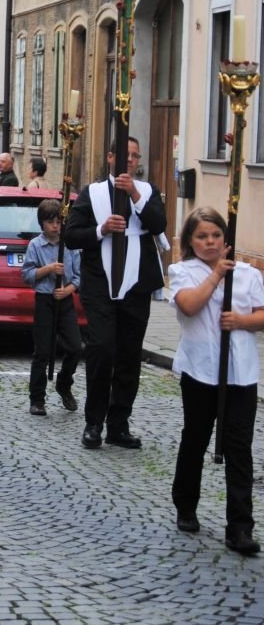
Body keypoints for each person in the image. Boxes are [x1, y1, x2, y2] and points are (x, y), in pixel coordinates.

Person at [170, 207, 264, 556]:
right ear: (190, 241)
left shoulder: (249, 275)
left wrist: (241, 321)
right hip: (201, 370)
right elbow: (189, 306)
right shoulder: (181, 271)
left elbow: (261, 315)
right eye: (202, 237)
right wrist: (215, 278)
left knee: (239, 447)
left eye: (216, 236)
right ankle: (186, 504)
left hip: (241, 373)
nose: (210, 242)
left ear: (226, 238)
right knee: (196, 436)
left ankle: (240, 527)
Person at [64, 136, 166, 450]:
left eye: (135, 156)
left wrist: (135, 194)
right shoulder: (92, 194)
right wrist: (101, 230)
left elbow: (159, 223)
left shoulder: (147, 191)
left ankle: (118, 423)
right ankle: (93, 422)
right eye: (125, 155)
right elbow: (70, 236)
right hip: (100, 283)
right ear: (111, 157)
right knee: (102, 348)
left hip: (137, 285)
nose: (130, 161)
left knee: (128, 355)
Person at [22, 199, 82, 416]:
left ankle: (64, 384)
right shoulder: (35, 246)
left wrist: (69, 289)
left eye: (58, 222)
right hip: (44, 300)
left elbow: (78, 276)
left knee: (75, 347)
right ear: (42, 224)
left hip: (64, 301)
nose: (55, 226)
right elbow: (27, 275)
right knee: (43, 352)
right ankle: (37, 398)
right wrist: (47, 269)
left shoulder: (69, 245)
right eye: (50, 222)